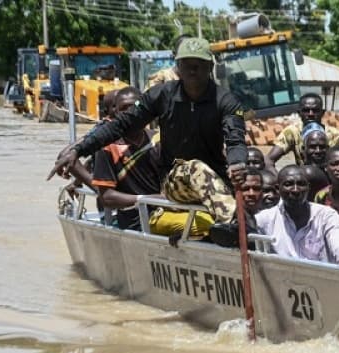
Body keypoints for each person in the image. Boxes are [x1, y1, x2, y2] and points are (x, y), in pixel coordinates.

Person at [48, 37, 249, 227]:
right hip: (174, 181)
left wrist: (237, 163)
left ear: (210, 67)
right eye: (187, 64)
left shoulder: (226, 101)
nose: (192, 69)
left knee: (252, 180)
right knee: (195, 167)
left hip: (216, 178)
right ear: (178, 68)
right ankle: (235, 224)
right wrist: (79, 150)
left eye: (199, 64)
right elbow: (121, 125)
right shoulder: (161, 95)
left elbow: (235, 140)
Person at [89, 86, 164, 230]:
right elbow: (107, 197)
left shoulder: (159, 139)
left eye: (135, 107)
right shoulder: (107, 147)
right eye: (124, 108)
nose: (131, 113)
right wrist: (145, 200)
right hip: (136, 219)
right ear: (115, 113)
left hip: (168, 210)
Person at [255, 165, 339, 265]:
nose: (295, 190)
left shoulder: (326, 216)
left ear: (308, 187)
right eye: (288, 184)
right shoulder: (264, 220)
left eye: (301, 184)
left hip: (322, 277)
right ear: (278, 188)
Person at [266, 93, 339, 169]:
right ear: (299, 113)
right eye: (306, 110)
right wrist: (277, 181)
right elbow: (269, 160)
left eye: (315, 110)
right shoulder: (292, 132)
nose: (311, 114)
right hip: (303, 180)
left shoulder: (338, 137)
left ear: (322, 113)